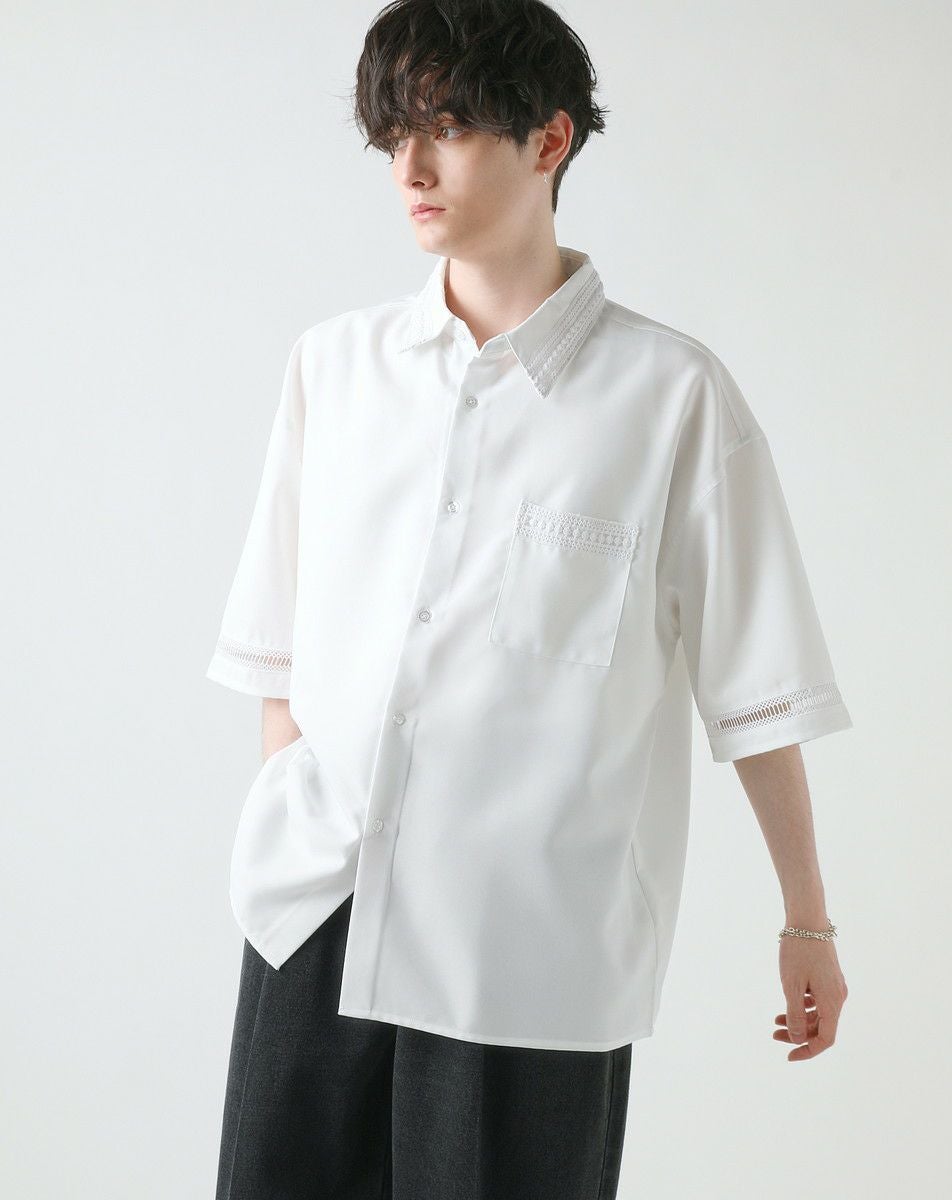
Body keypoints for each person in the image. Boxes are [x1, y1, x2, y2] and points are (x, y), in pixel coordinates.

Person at [206, 1, 853, 1196]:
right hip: (317, 921)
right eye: (392, 134)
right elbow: (277, 656)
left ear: (549, 140)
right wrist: (292, 829)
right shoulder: (333, 371)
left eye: (447, 127)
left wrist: (805, 920)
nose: (410, 169)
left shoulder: (671, 399)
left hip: (527, 958)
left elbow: (758, 689)